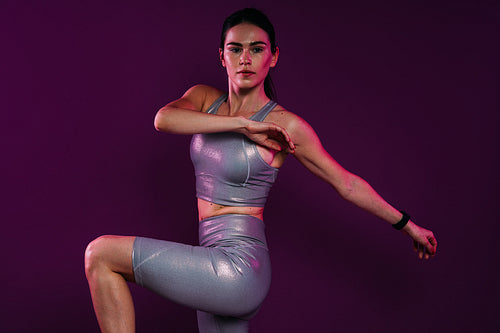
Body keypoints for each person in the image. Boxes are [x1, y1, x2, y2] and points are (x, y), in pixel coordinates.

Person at [84, 8, 437, 333]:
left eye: (257, 49)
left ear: (274, 56)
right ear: (222, 57)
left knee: (100, 254)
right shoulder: (205, 100)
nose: (245, 59)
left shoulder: (285, 126)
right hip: (210, 255)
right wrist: (242, 125)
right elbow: (164, 119)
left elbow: (345, 182)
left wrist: (406, 224)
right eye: (235, 49)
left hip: (239, 268)